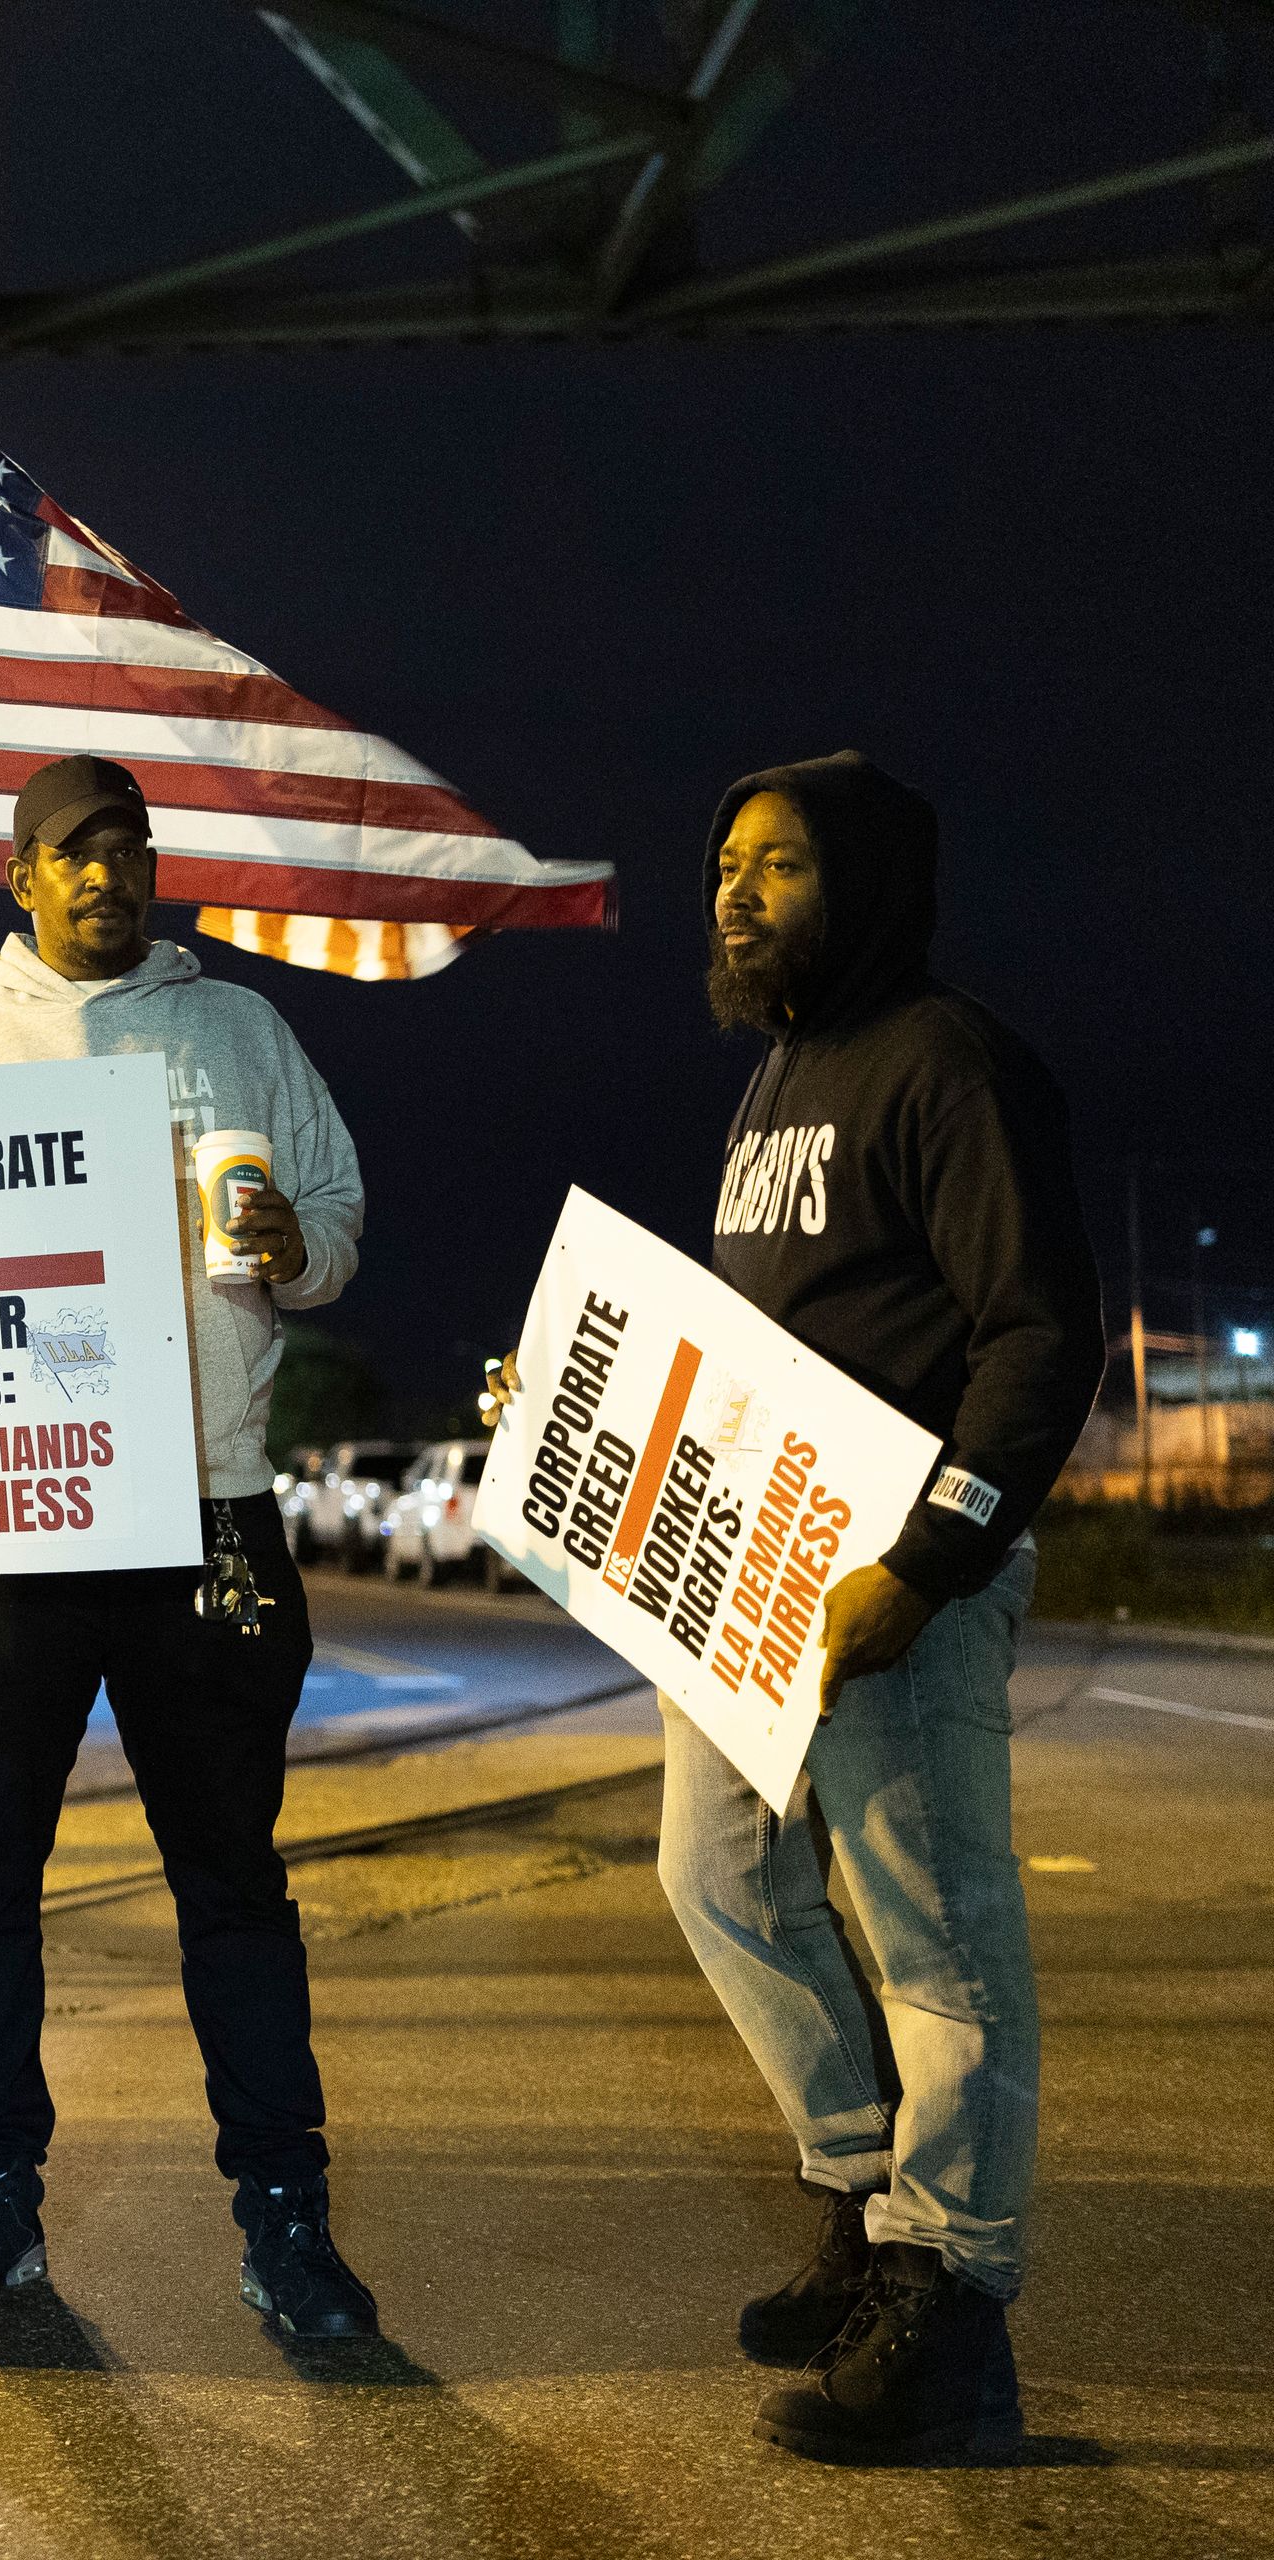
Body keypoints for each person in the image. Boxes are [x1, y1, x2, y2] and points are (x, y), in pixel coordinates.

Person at [0, 754, 377, 2340]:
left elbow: (336, 1227)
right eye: (74, 852)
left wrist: (299, 1246)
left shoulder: (240, 1030)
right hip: (10, 1526)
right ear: (20, 878)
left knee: (232, 1882)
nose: (108, 873)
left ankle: (285, 2214)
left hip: (208, 1513)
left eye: (130, 848)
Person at [656, 753, 1101, 2464]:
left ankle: (950, 2308)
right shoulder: (775, 1081)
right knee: (715, 1874)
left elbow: (1035, 1335)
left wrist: (931, 1560)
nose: (736, 891)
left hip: (895, 1586)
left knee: (940, 1937)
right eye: (727, 862)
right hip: (758, 1577)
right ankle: (864, 2201)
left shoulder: (947, 1063)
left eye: (779, 863)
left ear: (869, 883)